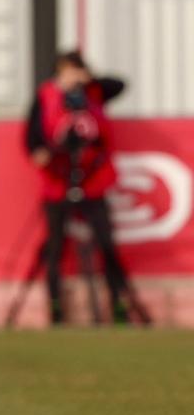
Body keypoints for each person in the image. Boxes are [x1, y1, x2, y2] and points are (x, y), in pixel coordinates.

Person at [24, 51, 143, 325]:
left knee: (106, 244)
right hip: (58, 181)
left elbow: (119, 85)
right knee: (54, 248)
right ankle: (55, 309)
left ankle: (119, 305)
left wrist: (88, 79)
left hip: (92, 182)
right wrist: (40, 151)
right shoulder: (46, 95)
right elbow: (32, 137)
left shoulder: (93, 93)